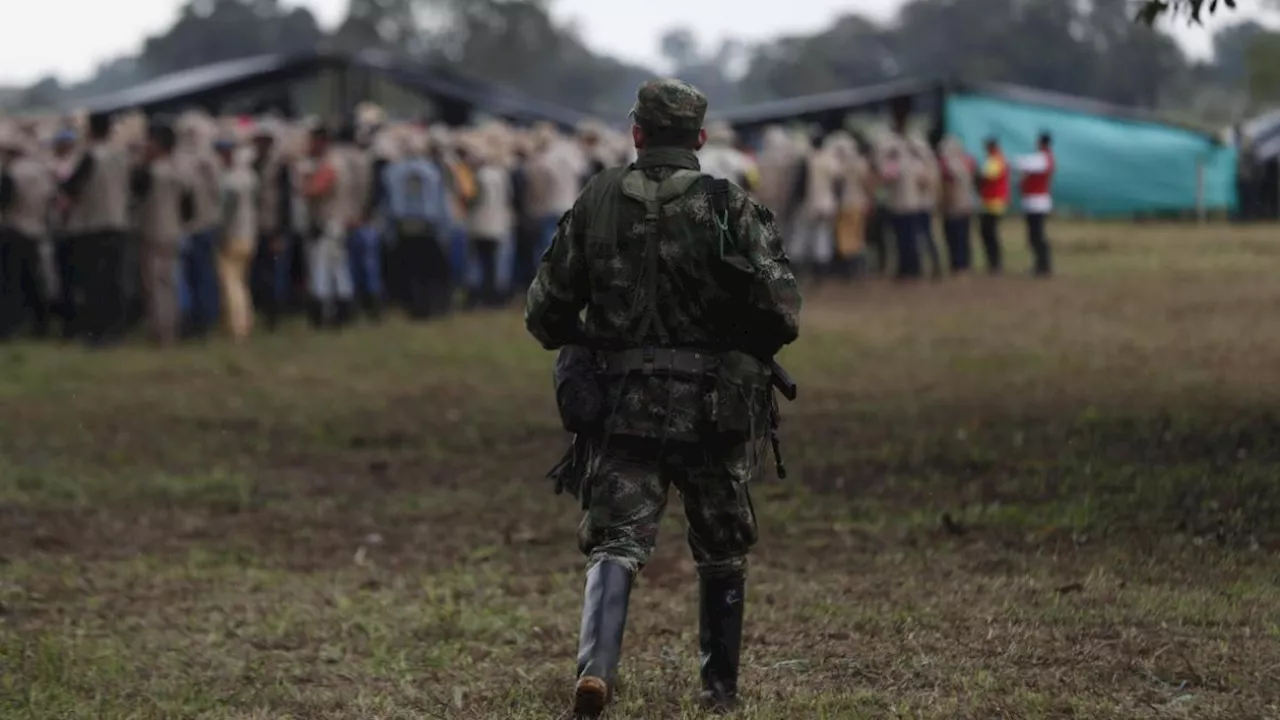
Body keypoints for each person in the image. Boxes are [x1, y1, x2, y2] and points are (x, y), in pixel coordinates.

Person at [525, 78, 802, 718]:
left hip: (621, 404)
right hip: (715, 408)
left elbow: (545, 313)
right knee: (723, 546)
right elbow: (782, 312)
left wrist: (597, 338)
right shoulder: (728, 205)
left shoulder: (596, 200)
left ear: (637, 135)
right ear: (700, 140)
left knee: (615, 541)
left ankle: (596, 670)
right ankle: (719, 690)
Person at [61, 111, 131, 347]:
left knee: (94, 282)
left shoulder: (90, 157)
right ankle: (117, 331)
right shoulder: (122, 156)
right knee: (114, 280)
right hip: (119, 224)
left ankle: (97, 334)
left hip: (93, 226)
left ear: (89, 130)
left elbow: (70, 188)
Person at [132, 122, 192, 346]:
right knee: (169, 283)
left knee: (155, 285)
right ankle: (170, 329)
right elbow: (188, 207)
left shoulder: (151, 172)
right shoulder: (180, 171)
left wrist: (142, 161)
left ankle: (161, 333)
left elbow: (135, 190)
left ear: (158, 144)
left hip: (153, 232)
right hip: (174, 231)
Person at [383, 128, 451, 319]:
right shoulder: (431, 171)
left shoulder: (393, 171)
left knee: (409, 268)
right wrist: (444, 229)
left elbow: (389, 205)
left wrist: (389, 231)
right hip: (428, 225)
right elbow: (440, 202)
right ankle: (429, 306)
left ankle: (414, 307)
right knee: (428, 270)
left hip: (404, 224)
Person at [0, 126, 56, 339]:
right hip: (36, 229)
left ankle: (8, 328)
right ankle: (41, 326)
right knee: (35, 280)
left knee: (11, 282)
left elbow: (5, 201)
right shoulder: (41, 170)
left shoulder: (12, 172)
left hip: (14, 229)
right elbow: (51, 199)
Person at [214, 134, 259, 341]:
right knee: (242, 283)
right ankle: (245, 323)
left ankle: (237, 328)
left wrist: (221, 234)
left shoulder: (228, 181)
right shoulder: (249, 176)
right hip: (250, 234)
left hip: (233, 236)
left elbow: (226, 214)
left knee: (231, 284)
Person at [1014, 131, 1055, 277]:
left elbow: (1021, 163)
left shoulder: (1043, 158)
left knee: (1036, 236)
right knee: (1035, 235)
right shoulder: (1045, 157)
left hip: (1036, 202)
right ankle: (1041, 265)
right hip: (1035, 201)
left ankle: (1043, 266)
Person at [938, 135, 977, 273]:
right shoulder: (967, 162)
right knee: (964, 235)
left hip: (954, 206)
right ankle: (965, 263)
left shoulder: (947, 165)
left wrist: (944, 204)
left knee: (953, 236)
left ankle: (957, 264)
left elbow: (949, 187)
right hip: (967, 203)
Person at [977, 136, 1010, 273]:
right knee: (989, 233)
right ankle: (993, 262)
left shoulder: (995, 160)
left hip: (993, 202)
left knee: (989, 233)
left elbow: (987, 176)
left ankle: (995, 263)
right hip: (992, 201)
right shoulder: (997, 159)